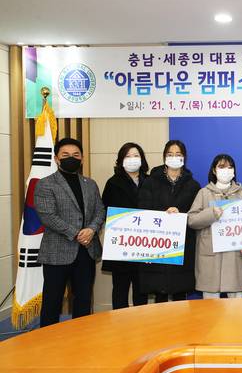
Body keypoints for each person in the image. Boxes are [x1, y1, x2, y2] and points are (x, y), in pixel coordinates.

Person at [34, 138, 105, 327]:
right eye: (65, 155)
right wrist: (77, 234)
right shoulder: (45, 184)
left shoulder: (90, 184)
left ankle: (80, 338)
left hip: (86, 252)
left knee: (83, 300)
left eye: (76, 155)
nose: (71, 158)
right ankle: (48, 339)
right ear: (56, 158)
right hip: (57, 252)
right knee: (52, 301)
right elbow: (48, 216)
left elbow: (100, 210)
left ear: (82, 159)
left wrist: (91, 229)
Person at [138, 140, 200, 302]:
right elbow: (143, 210)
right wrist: (162, 215)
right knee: (160, 295)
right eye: (170, 154)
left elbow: (196, 215)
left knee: (181, 295)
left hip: (182, 246)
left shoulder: (193, 185)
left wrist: (181, 215)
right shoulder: (151, 182)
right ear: (164, 157)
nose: (174, 157)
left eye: (178, 154)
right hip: (158, 245)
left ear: (184, 157)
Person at [188, 154, 242, 298]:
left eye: (230, 167)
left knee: (236, 308)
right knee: (211, 308)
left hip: (235, 257)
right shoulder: (203, 193)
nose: (226, 170)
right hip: (210, 258)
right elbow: (191, 220)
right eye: (222, 167)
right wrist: (211, 214)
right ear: (214, 170)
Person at [101, 142, 149, 309]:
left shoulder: (150, 181)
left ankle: (141, 324)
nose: (132, 159)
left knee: (142, 291)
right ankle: (119, 324)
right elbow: (105, 211)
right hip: (122, 246)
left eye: (136, 156)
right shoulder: (113, 183)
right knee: (120, 290)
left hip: (144, 246)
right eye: (128, 156)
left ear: (142, 159)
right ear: (121, 160)